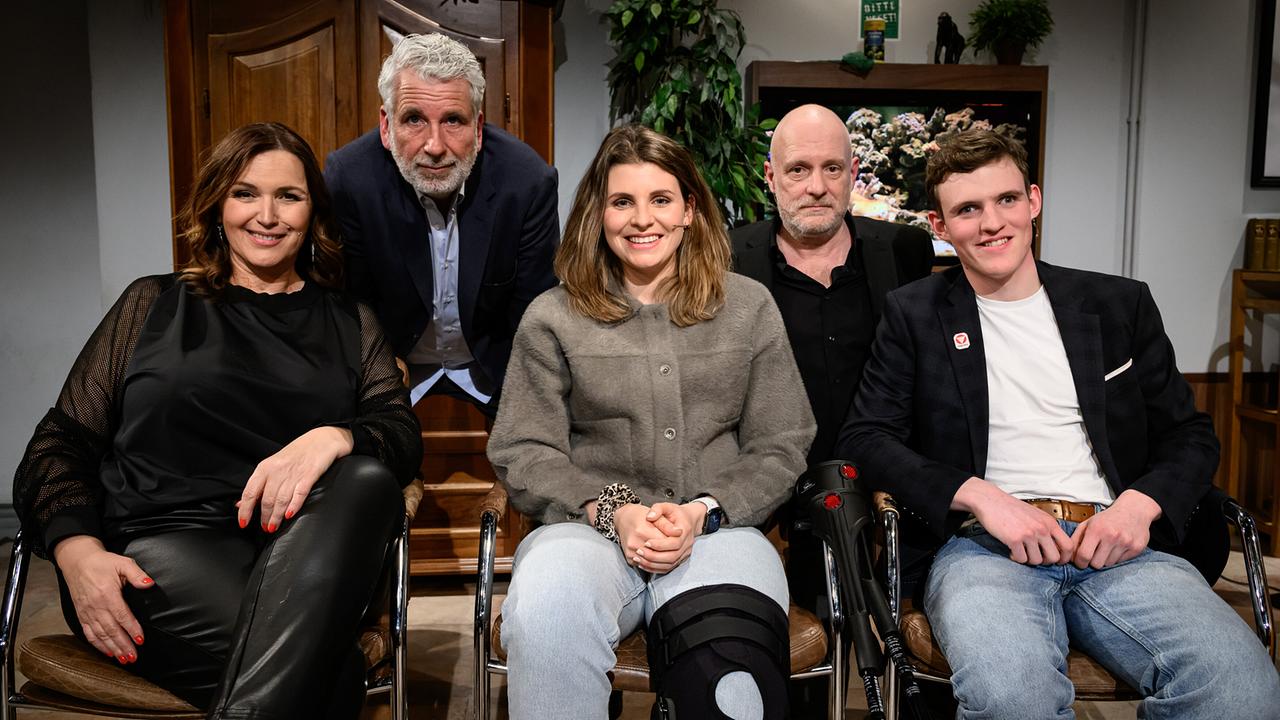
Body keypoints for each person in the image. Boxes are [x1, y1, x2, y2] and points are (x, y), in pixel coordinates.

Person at [839, 128, 1280, 718]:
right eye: (967, 209)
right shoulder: (914, 314)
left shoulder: (1117, 304)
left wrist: (1139, 506)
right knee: (1012, 700)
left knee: (1243, 691)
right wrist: (981, 499)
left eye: (1007, 200)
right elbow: (866, 437)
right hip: (983, 551)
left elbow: (1190, 434)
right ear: (940, 226)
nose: (992, 223)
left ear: (1034, 201)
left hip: (1118, 542)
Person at [13, 122, 422, 719]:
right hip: (154, 553)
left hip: (304, 557)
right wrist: (78, 553)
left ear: (314, 212)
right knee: (329, 672)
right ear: (217, 206)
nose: (267, 214)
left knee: (364, 478)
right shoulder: (152, 304)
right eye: (245, 193)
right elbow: (58, 444)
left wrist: (334, 436)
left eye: (289, 196)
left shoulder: (349, 321)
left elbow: (401, 437)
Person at [488, 125, 815, 719]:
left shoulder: (748, 307)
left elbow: (782, 443)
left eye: (661, 200)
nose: (643, 220)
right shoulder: (552, 316)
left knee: (731, 686)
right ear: (598, 213)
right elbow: (523, 447)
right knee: (543, 613)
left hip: (720, 534)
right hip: (585, 536)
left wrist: (702, 512)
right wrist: (612, 509)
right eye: (622, 202)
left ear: (689, 209)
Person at [731, 103, 932, 713]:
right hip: (769, 488)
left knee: (920, 670)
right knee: (788, 670)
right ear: (770, 177)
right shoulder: (726, 256)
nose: (815, 186)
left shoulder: (903, 252)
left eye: (831, 168)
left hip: (883, 486)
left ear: (853, 175)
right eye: (797, 170)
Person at [324, 33, 559, 416]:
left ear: (478, 129)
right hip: (392, 359)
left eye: (453, 120)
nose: (434, 145)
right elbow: (349, 302)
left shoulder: (527, 181)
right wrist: (381, 367)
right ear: (386, 126)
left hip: (491, 360)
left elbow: (533, 314)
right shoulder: (349, 179)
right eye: (414, 119)